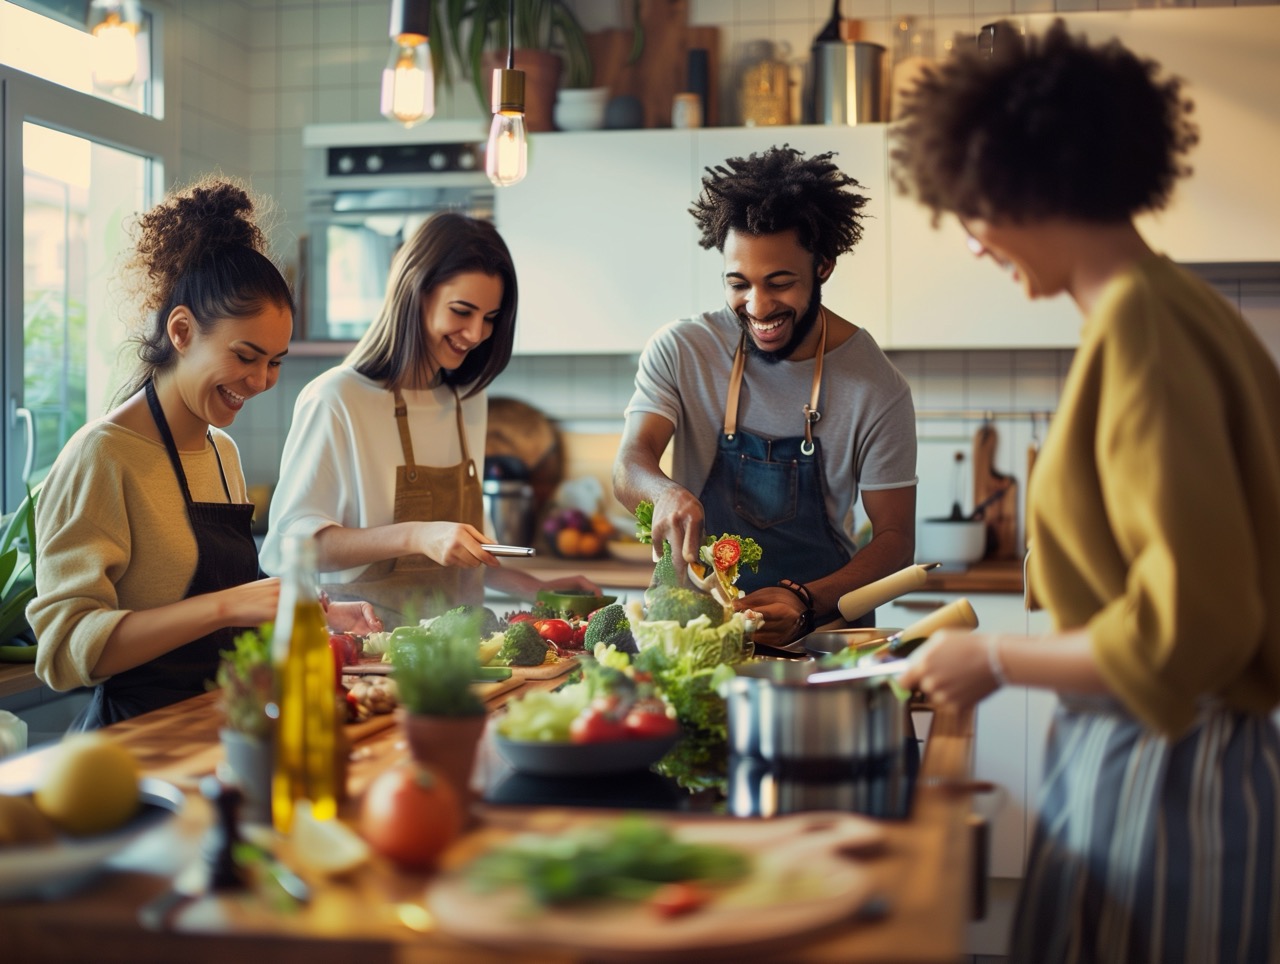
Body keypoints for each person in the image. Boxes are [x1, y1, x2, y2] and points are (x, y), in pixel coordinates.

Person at [892, 20, 1280, 963]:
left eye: (970, 212)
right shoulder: (1167, 311)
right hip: (1152, 755)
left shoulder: (1146, 327)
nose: (977, 247)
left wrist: (996, 663)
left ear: (1021, 184)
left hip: (1167, 768)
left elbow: (1187, 628)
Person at [29, 177, 380, 730]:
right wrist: (232, 603)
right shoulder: (103, 457)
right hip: (135, 743)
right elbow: (66, 651)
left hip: (219, 727)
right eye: (246, 355)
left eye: (276, 361)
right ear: (182, 330)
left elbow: (224, 625)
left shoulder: (223, 452)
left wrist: (306, 613)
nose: (262, 380)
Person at [614, 146, 918, 649]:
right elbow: (630, 463)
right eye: (739, 284)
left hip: (818, 632)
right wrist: (663, 491)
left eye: (779, 283)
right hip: (692, 632)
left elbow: (895, 541)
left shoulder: (877, 387)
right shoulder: (683, 349)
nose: (757, 307)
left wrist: (805, 599)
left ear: (823, 266)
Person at [261, 212, 595, 627]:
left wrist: (538, 589)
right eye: (462, 311)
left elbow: (462, 557)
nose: (476, 334)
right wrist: (418, 535)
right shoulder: (336, 399)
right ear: (415, 293)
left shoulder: (466, 400)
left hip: (463, 654)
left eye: (490, 318)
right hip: (369, 658)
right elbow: (289, 549)